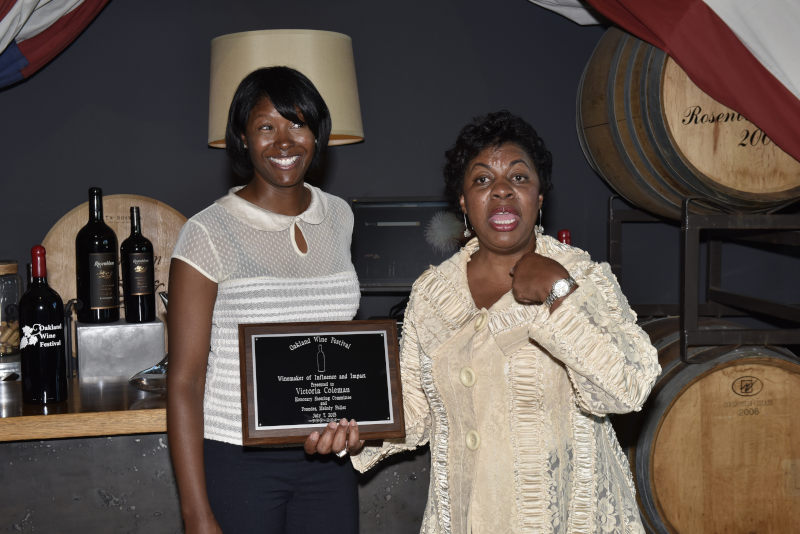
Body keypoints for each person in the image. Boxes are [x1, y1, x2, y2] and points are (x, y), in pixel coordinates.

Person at [307, 110, 661, 533]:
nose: (501, 190)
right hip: (465, 516)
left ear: (540, 197)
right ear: (463, 201)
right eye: (482, 180)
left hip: (562, 519)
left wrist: (558, 293)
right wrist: (356, 430)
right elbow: (416, 413)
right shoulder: (433, 293)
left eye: (519, 177)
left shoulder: (579, 274)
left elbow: (628, 388)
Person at [167, 66, 361, 534]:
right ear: (242, 137)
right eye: (266, 127)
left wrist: (358, 423)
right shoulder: (206, 232)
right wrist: (196, 514)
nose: (284, 141)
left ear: (317, 132)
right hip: (238, 461)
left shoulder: (339, 216)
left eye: (297, 123)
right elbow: (185, 381)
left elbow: (340, 347)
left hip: (328, 461)